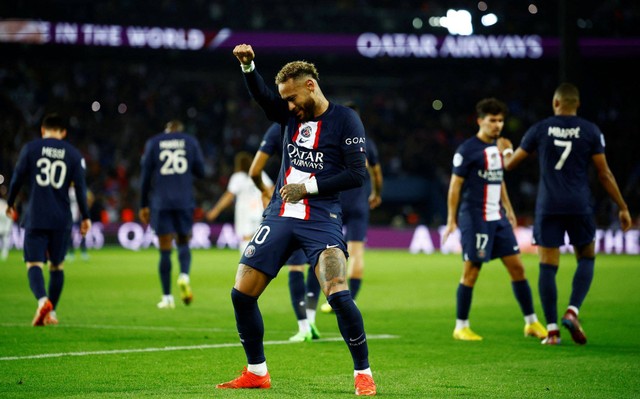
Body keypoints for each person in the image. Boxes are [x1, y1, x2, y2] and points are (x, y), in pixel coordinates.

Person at [216, 44, 376, 396]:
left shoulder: (346, 120)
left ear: (310, 86)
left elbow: (355, 175)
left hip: (321, 216)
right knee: (242, 293)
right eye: (283, 100)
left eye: (291, 97)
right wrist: (248, 68)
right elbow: (262, 97)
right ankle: (257, 371)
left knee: (337, 294)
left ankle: (363, 373)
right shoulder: (290, 116)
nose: (287, 105)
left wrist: (308, 187)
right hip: (279, 215)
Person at [499, 83, 632, 345]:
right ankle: (573, 310)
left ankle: (551, 331)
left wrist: (505, 148)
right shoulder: (590, 130)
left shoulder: (541, 127)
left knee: (548, 266)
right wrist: (623, 206)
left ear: (555, 103)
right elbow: (604, 174)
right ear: (577, 104)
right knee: (586, 258)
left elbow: (510, 164)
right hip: (579, 205)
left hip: (548, 206)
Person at [442, 98, 547, 342]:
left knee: (518, 268)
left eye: (500, 120)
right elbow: (455, 186)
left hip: (497, 217)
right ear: (480, 121)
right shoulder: (467, 150)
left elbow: (498, 180)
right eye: (492, 120)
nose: (497, 125)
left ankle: (531, 322)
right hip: (475, 218)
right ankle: (461, 326)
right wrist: (451, 219)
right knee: (471, 272)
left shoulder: (500, 148)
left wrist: (508, 209)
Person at [6, 113, 91, 326]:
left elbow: (17, 178)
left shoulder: (31, 149)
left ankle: (43, 301)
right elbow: (80, 188)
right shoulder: (73, 154)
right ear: (63, 132)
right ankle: (51, 313)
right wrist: (86, 216)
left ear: (43, 130)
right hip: (61, 218)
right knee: (57, 267)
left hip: (36, 214)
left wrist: (10, 203)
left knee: (34, 263)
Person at [249, 122, 322, 342]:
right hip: (320, 206)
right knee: (319, 264)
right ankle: (311, 320)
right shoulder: (326, 124)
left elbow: (255, 171)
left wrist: (265, 191)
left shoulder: (279, 127)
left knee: (296, 267)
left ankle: (303, 326)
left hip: (288, 206)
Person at [320, 102, 383, 313]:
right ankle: (351, 299)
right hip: (359, 202)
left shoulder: (331, 140)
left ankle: (335, 298)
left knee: (331, 251)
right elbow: (377, 173)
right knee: (357, 253)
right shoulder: (367, 144)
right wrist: (376, 193)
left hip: (334, 202)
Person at [139, 119, 205, 309]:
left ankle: (167, 298)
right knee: (184, 241)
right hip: (184, 200)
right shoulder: (190, 142)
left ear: (166, 130)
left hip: (161, 202)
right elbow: (201, 172)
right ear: (181, 130)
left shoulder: (154, 142)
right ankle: (184, 276)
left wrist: (143, 204)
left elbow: (145, 177)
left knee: (165, 249)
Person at [206, 151, 273, 254]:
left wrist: (216, 210)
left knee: (246, 238)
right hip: (260, 211)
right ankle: (259, 264)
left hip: (245, 213)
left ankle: (246, 265)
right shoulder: (260, 173)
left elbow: (228, 196)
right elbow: (271, 190)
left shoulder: (238, 177)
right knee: (259, 239)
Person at [0, 196, 12, 261]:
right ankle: (4, 253)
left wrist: (8, 227)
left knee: (5, 242)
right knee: (5, 241)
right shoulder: (4, 204)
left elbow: (10, 218)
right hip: (3, 227)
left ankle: (5, 254)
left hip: (5, 228)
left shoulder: (6, 206)